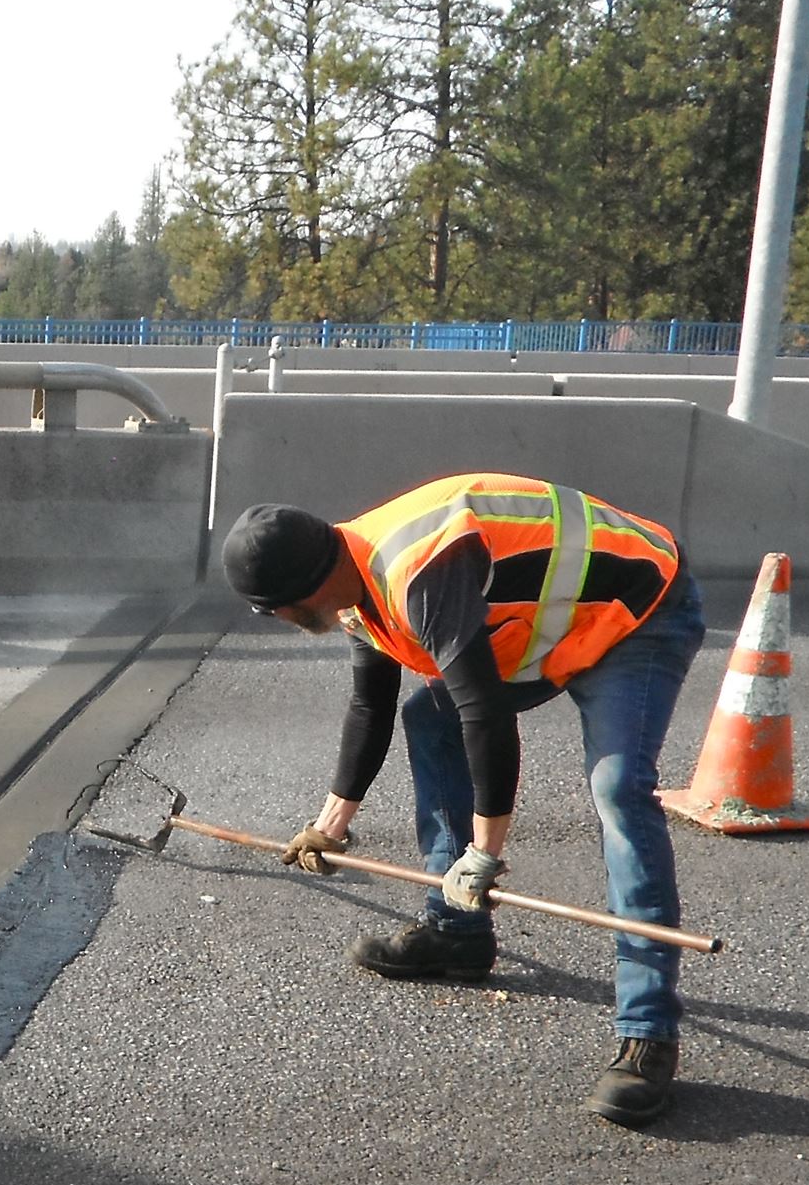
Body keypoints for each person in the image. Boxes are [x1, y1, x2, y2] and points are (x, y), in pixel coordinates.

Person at [222, 474, 707, 1125]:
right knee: (429, 719)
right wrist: (330, 825)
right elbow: (371, 705)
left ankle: (648, 1032)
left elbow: (485, 714)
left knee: (619, 789)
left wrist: (483, 855)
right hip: (560, 623)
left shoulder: (417, 572)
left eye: (271, 610)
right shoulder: (354, 580)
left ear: (299, 591)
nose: (280, 621)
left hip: (639, 611)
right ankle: (457, 932)